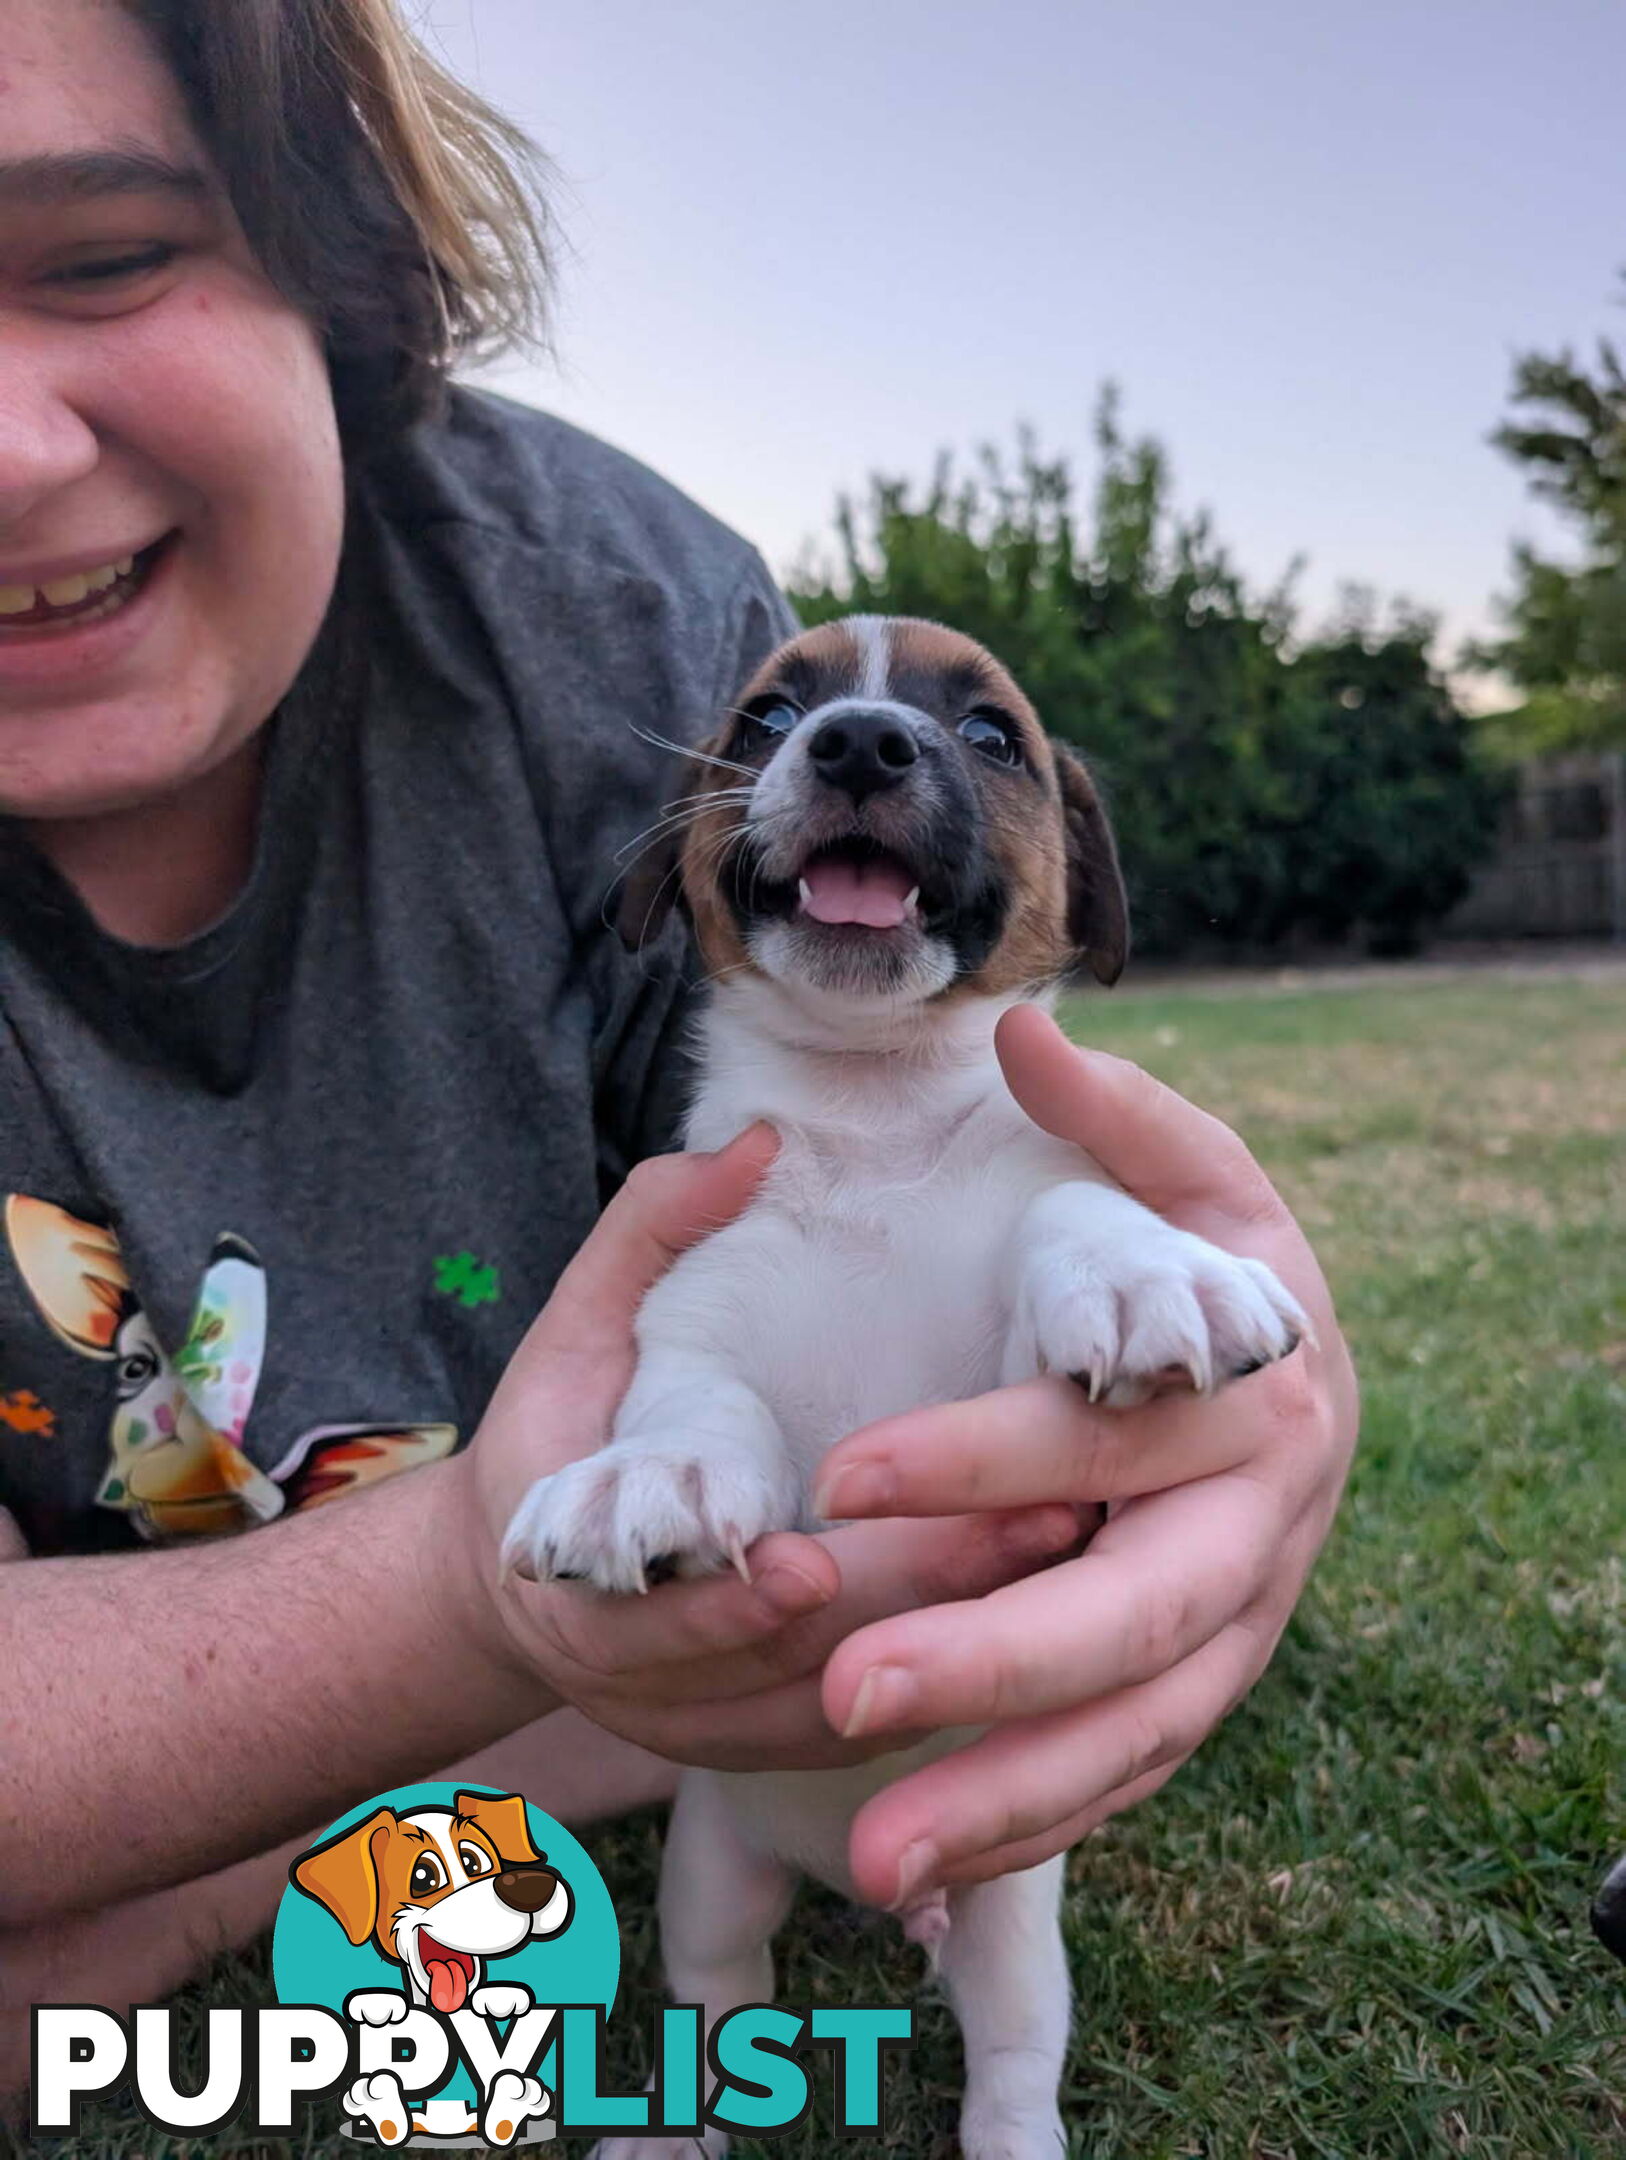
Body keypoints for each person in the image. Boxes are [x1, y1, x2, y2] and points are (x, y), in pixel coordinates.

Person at [0, 0, 1359, 2102]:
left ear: (337, 271)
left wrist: (1254, 1418)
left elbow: (879, 1380)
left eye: (100, 254)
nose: (12, 447)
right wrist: (490, 1629)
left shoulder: (619, 644)